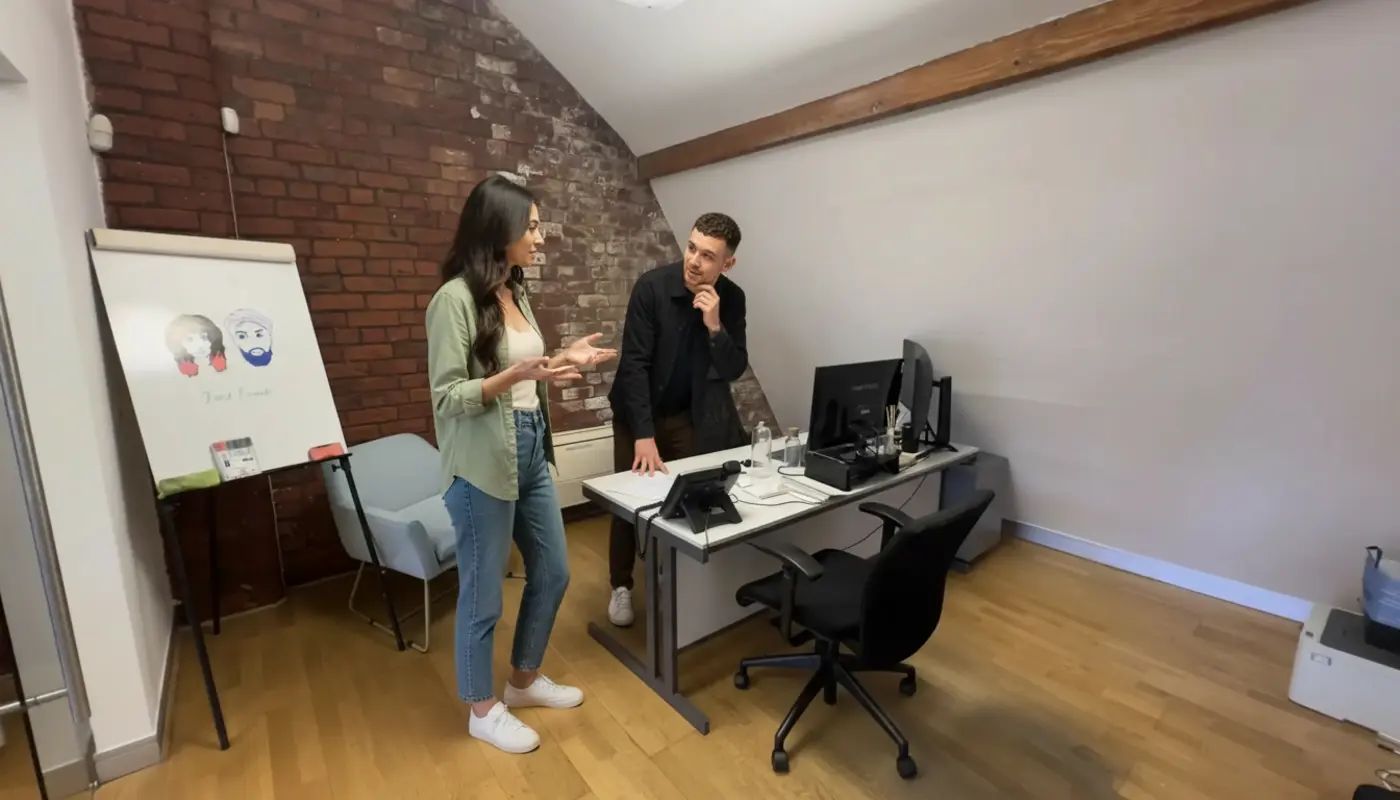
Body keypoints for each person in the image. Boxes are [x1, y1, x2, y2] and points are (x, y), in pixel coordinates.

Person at [426, 175, 618, 754]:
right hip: (482, 460)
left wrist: (561, 362)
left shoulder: (515, 290)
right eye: (532, 226)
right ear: (499, 228)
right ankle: (481, 710)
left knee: (555, 570)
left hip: (532, 444)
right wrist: (513, 377)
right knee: (483, 594)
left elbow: (524, 372)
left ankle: (524, 682)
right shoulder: (453, 300)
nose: (541, 237)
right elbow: (447, 397)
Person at [605, 212, 750, 626]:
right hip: (637, 413)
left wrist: (714, 326)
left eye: (708, 256)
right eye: (691, 248)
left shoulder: (732, 299)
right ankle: (621, 586)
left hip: (688, 416)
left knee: (687, 500)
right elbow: (633, 365)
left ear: (727, 264)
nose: (694, 261)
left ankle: (679, 584)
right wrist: (643, 435)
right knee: (626, 502)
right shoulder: (652, 288)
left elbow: (734, 367)